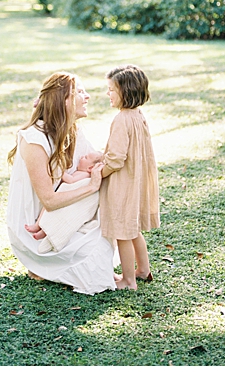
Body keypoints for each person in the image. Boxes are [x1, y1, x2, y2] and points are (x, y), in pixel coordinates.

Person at [6, 72, 118, 294]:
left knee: (102, 248)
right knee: (94, 271)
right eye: (80, 92)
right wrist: (90, 186)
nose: (87, 97)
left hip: (68, 212)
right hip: (35, 226)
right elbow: (49, 200)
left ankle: (51, 266)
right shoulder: (34, 139)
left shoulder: (75, 130)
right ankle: (42, 261)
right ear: (63, 100)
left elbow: (95, 166)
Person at [100, 65, 160, 290]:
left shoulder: (121, 119)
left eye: (111, 90)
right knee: (132, 229)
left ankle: (128, 280)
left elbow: (116, 159)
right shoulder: (138, 115)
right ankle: (143, 270)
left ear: (125, 93)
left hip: (123, 184)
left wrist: (99, 173)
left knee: (122, 232)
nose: (108, 94)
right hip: (136, 179)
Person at [24, 151, 106, 241]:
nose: (82, 156)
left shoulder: (85, 175)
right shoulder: (79, 172)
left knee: (54, 215)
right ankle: (38, 225)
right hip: (61, 196)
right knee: (46, 209)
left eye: (86, 157)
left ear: (90, 168)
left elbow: (71, 181)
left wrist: (59, 171)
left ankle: (43, 232)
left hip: (68, 201)